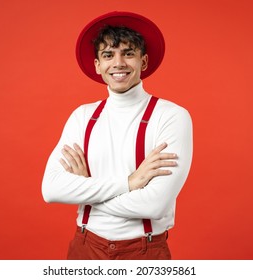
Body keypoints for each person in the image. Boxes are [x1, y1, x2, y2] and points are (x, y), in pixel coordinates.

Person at [42, 11, 193, 260]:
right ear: (97, 65)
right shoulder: (82, 116)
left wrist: (85, 189)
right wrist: (130, 183)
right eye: (108, 55)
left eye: (128, 53)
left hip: (143, 252)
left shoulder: (171, 116)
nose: (118, 63)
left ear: (143, 62)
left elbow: (154, 205)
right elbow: (51, 189)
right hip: (85, 248)